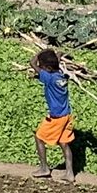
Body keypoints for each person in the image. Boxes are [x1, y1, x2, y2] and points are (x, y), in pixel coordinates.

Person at [30, 47, 76, 182]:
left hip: (56, 118)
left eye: (42, 67)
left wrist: (41, 51)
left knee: (39, 137)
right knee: (64, 143)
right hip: (67, 116)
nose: (41, 68)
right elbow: (55, 62)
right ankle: (70, 173)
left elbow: (32, 63)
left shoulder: (48, 78)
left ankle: (44, 168)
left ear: (48, 68)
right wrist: (57, 56)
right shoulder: (62, 75)